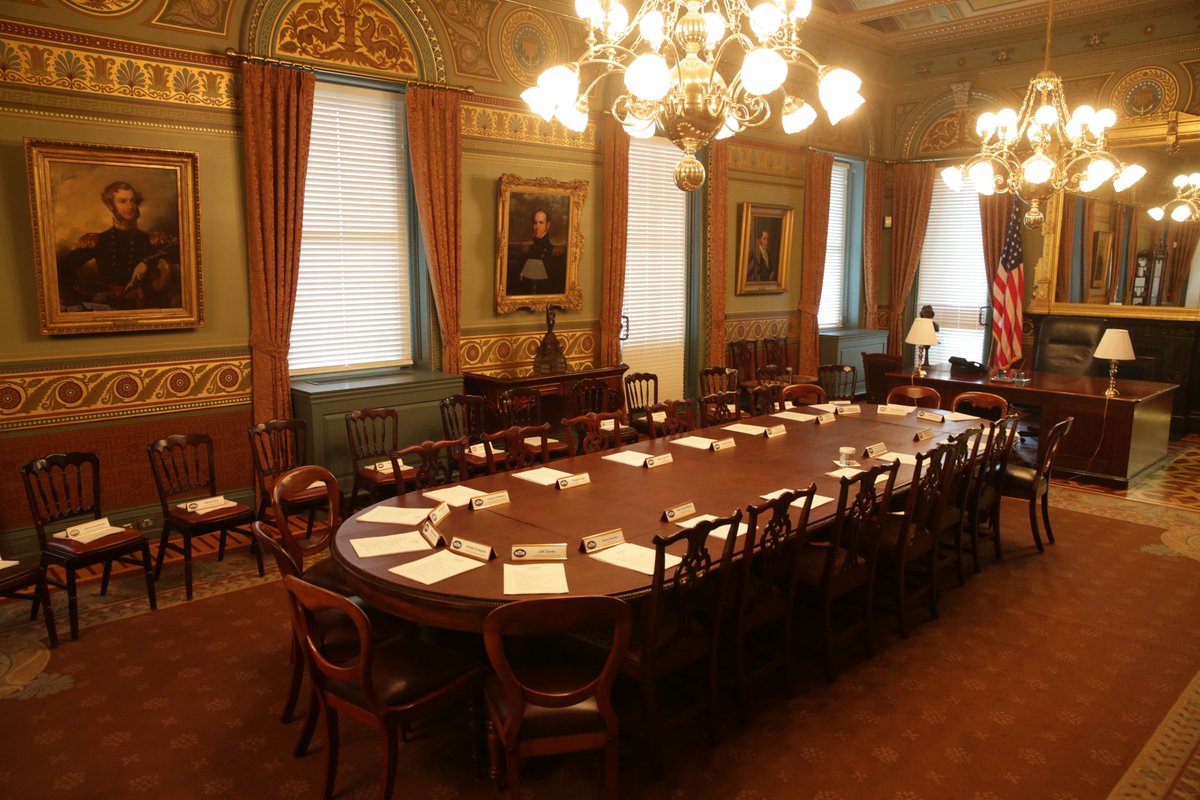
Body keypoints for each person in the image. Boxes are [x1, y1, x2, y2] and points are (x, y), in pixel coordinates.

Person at [57, 181, 180, 311]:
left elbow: (180, 254)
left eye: (133, 201)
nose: (130, 206)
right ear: (111, 206)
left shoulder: (151, 239)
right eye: (123, 201)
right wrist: (89, 294)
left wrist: (146, 263)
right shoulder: (99, 241)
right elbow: (62, 268)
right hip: (109, 308)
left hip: (144, 308)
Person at [510, 207, 565, 295]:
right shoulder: (526, 251)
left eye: (541, 223)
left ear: (548, 225)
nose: (537, 227)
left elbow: (558, 285)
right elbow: (517, 281)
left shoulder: (555, 253)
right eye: (535, 223)